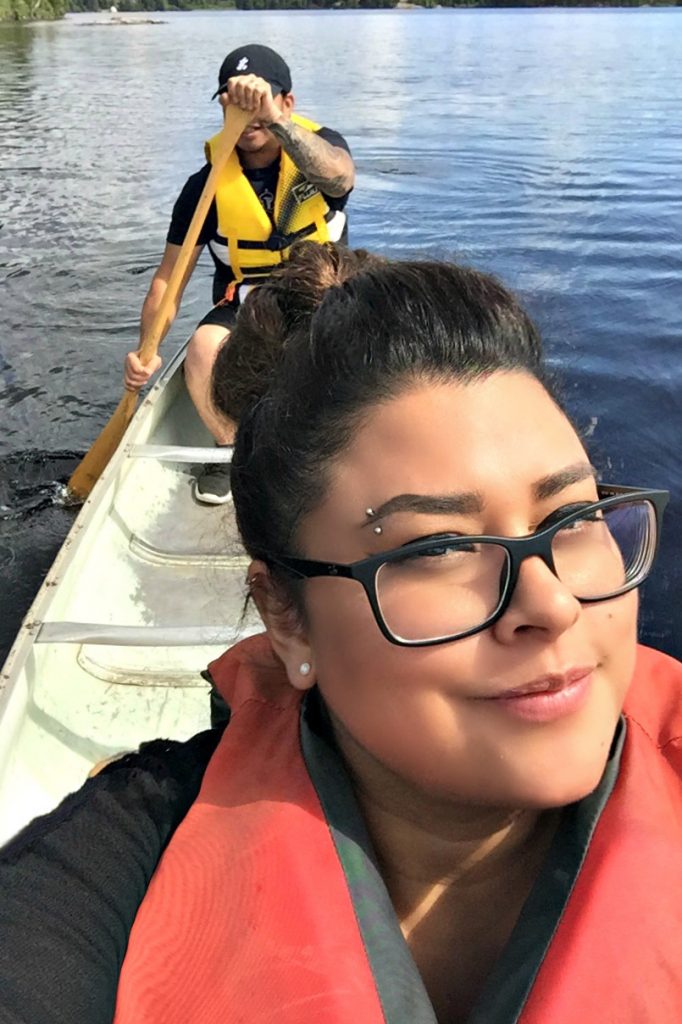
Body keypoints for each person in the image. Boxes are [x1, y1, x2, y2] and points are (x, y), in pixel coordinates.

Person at [2, 244, 681, 1023]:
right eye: (439, 548)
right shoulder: (117, 860)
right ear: (286, 615)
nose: (553, 604)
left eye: (570, 519)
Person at [123, 44, 355, 505]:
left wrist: (275, 121)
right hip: (251, 299)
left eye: (260, 98)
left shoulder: (320, 149)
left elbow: (339, 178)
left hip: (325, 293)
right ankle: (232, 448)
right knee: (204, 347)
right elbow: (169, 278)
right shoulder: (204, 186)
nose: (247, 111)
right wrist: (145, 349)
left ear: (287, 102)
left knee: (358, 342)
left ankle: (339, 447)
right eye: (234, 100)